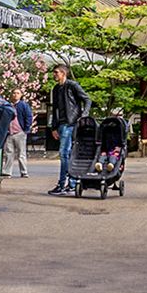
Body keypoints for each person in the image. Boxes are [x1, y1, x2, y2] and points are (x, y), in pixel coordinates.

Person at [46, 64, 90, 196]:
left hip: (71, 123)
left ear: (63, 73)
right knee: (67, 153)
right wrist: (53, 127)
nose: (54, 75)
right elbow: (54, 109)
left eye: (56, 72)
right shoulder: (55, 88)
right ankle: (71, 183)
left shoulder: (72, 85)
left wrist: (84, 115)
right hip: (62, 124)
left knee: (64, 153)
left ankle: (64, 184)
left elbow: (87, 99)